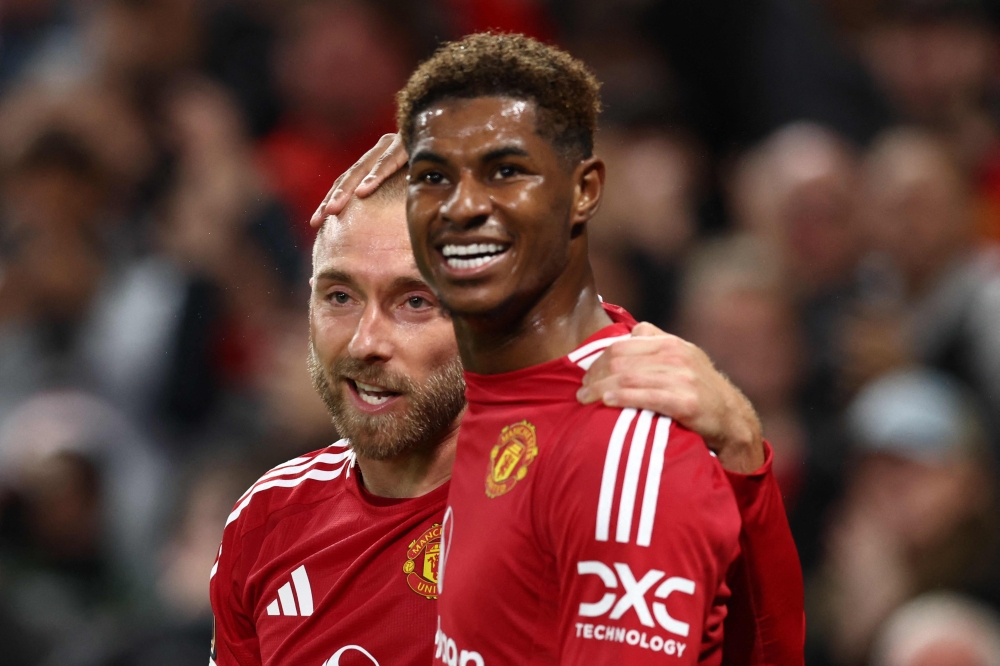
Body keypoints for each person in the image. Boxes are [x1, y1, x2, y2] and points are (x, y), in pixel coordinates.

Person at [210, 173, 786, 664]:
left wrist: (738, 449)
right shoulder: (265, 520)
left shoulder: (582, 489)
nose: (365, 342)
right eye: (339, 296)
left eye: (415, 302)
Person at [385, 32, 801, 664]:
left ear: (585, 191)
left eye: (506, 171)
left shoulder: (623, 440)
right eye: (433, 176)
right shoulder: (461, 404)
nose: (462, 205)